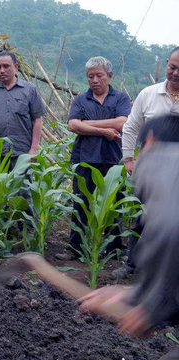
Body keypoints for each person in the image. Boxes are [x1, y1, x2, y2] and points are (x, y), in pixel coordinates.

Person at [79, 114, 179, 360]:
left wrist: (151, 308)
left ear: (148, 142)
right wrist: (133, 295)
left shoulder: (165, 160)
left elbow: (172, 228)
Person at [112, 46, 179, 278]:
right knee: (142, 217)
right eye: (172, 66)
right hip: (152, 172)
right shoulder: (148, 94)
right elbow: (131, 128)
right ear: (166, 63)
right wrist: (129, 159)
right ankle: (131, 264)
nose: (176, 72)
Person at [56, 57, 132, 261]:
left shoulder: (121, 98)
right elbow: (73, 125)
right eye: (91, 76)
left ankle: (114, 250)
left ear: (110, 76)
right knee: (80, 203)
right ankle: (76, 249)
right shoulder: (81, 100)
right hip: (85, 158)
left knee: (114, 203)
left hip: (113, 161)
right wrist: (104, 131)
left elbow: (123, 122)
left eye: (99, 75)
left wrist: (89, 125)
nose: (95, 80)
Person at [0, 50, 46, 169]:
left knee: (23, 187)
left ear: (15, 67)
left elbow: (37, 120)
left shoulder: (30, 90)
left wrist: (33, 149)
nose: (2, 70)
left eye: (6, 66)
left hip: (22, 153)